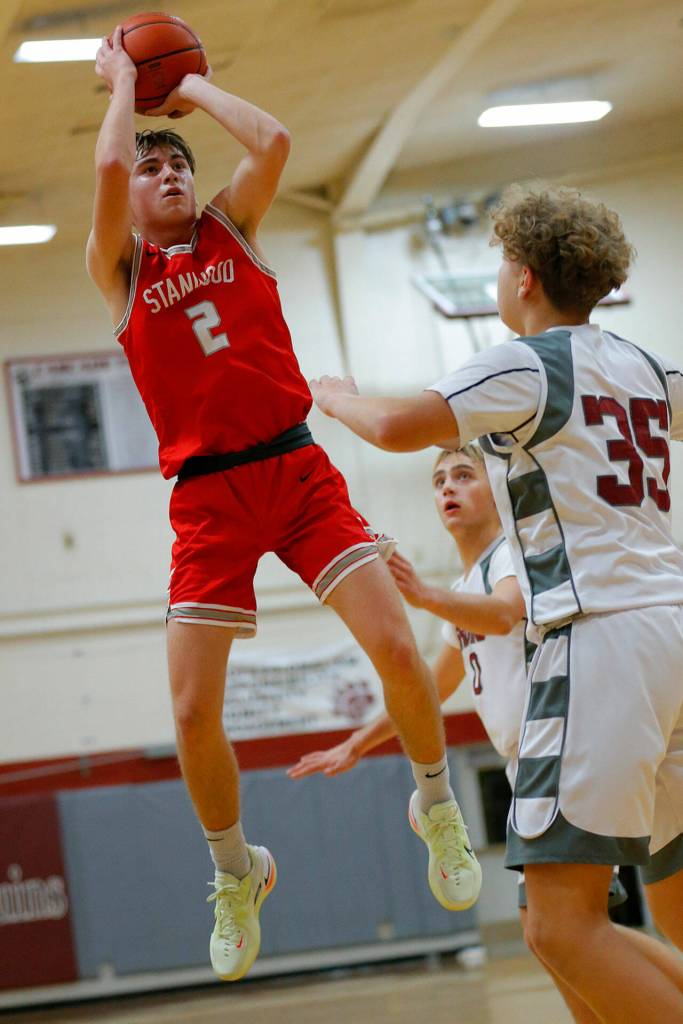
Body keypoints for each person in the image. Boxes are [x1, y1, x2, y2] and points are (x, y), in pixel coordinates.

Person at [86, 28, 481, 982]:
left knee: (395, 647)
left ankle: (433, 803)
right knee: (189, 710)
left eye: (176, 162)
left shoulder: (233, 227)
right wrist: (122, 92)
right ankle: (238, 870)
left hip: (297, 473)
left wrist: (192, 93)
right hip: (208, 500)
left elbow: (272, 144)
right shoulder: (123, 270)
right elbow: (105, 168)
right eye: (151, 168)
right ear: (132, 200)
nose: (166, 171)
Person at [309, 184, 683, 1022]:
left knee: (557, 930)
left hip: (601, 643)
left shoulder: (528, 360)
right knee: (652, 919)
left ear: (520, 275)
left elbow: (404, 426)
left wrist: (335, 399)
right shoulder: (644, 363)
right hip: (669, 631)